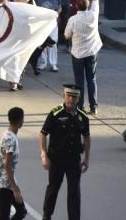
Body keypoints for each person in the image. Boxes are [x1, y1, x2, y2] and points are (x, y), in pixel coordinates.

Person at [39, 84, 90, 220]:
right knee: (53, 189)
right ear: (64, 96)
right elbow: (43, 133)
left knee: (74, 192)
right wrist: (44, 155)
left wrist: (86, 159)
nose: (71, 99)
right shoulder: (55, 114)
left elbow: (86, 136)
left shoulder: (82, 116)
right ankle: (47, 215)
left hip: (74, 160)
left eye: (74, 96)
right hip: (56, 159)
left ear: (78, 98)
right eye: (69, 96)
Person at [64, 0, 101, 115]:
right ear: (87, 5)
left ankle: (80, 106)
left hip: (78, 53)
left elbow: (67, 35)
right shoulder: (93, 15)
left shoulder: (73, 20)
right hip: (92, 51)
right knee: (91, 79)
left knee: (79, 81)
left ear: (76, 7)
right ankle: (94, 106)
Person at [0, 107, 27, 220]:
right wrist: (14, 189)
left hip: (6, 180)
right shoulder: (11, 139)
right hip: (5, 183)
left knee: (20, 211)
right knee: (6, 215)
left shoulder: (6, 134)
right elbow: (7, 165)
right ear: (20, 121)